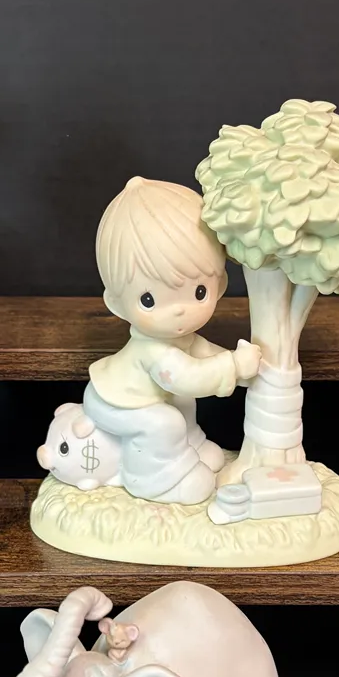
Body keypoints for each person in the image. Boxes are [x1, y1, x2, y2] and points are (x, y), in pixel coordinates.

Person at [82, 177, 261, 505]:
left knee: (179, 405)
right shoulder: (153, 351)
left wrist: (240, 369)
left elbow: (203, 353)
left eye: (199, 292)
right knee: (162, 422)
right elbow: (188, 377)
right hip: (115, 403)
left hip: (150, 398)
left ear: (220, 285)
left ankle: (189, 447)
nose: (179, 310)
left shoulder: (181, 340)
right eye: (149, 300)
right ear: (116, 304)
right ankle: (153, 479)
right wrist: (234, 366)